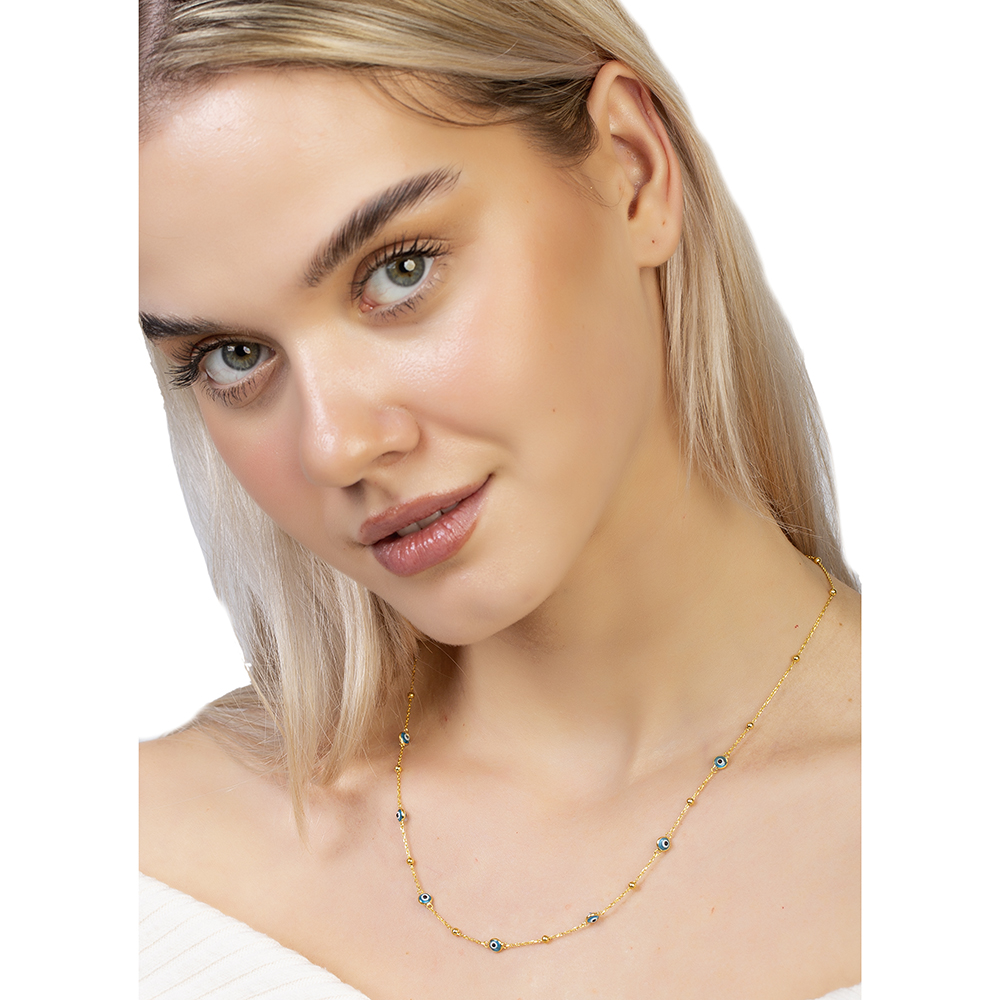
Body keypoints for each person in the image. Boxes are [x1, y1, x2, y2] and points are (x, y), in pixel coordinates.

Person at [138, 1, 861, 997]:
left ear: (634, 171)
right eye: (233, 356)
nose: (338, 445)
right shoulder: (129, 865)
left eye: (399, 272)